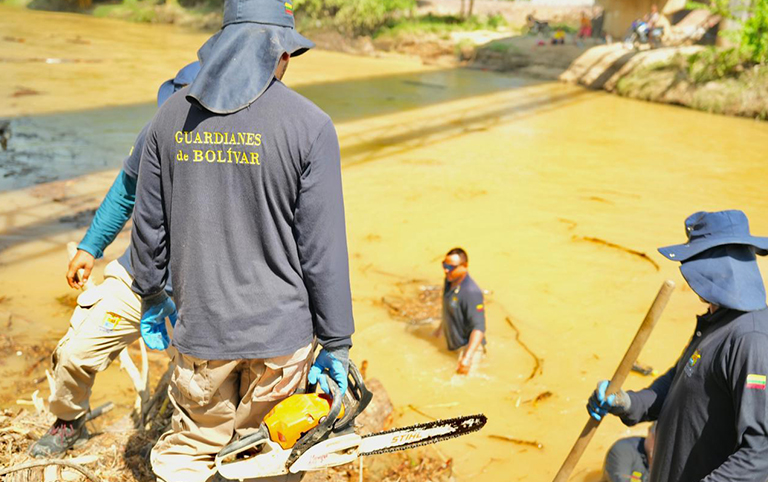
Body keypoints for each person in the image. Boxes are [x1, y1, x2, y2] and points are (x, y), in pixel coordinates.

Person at [129, 0, 355, 480]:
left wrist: (151, 293)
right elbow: (322, 250)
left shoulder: (168, 119)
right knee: (270, 458)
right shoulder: (310, 125)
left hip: (202, 331)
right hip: (281, 340)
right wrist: (336, 341)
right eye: (288, 53)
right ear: (277, 53)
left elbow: (149, 226)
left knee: (191, 451)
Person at [27, 62, 200, 458]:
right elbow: (125, 190)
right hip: (139, 277)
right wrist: (90, 247)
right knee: (74, 353)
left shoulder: (230, 145)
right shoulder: (155, 133)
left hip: (199, 289)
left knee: (202, 385)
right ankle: (69, 421)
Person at [587, 210, 768, 482]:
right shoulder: (715, 322)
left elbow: (760, 453)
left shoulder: (750, 338)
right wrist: (629, 403)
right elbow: (678, 383)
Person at [433, 247, 486, 375]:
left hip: (469, 348)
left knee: (460, 383)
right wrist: (440, 330)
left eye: (451, 267)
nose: (446, 270)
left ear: (465, 266)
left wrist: (467, 358)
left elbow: (479, 327)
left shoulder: (471, 292)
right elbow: (449, 308)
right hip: (454, 343)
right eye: (444, 265)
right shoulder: (450, 279)